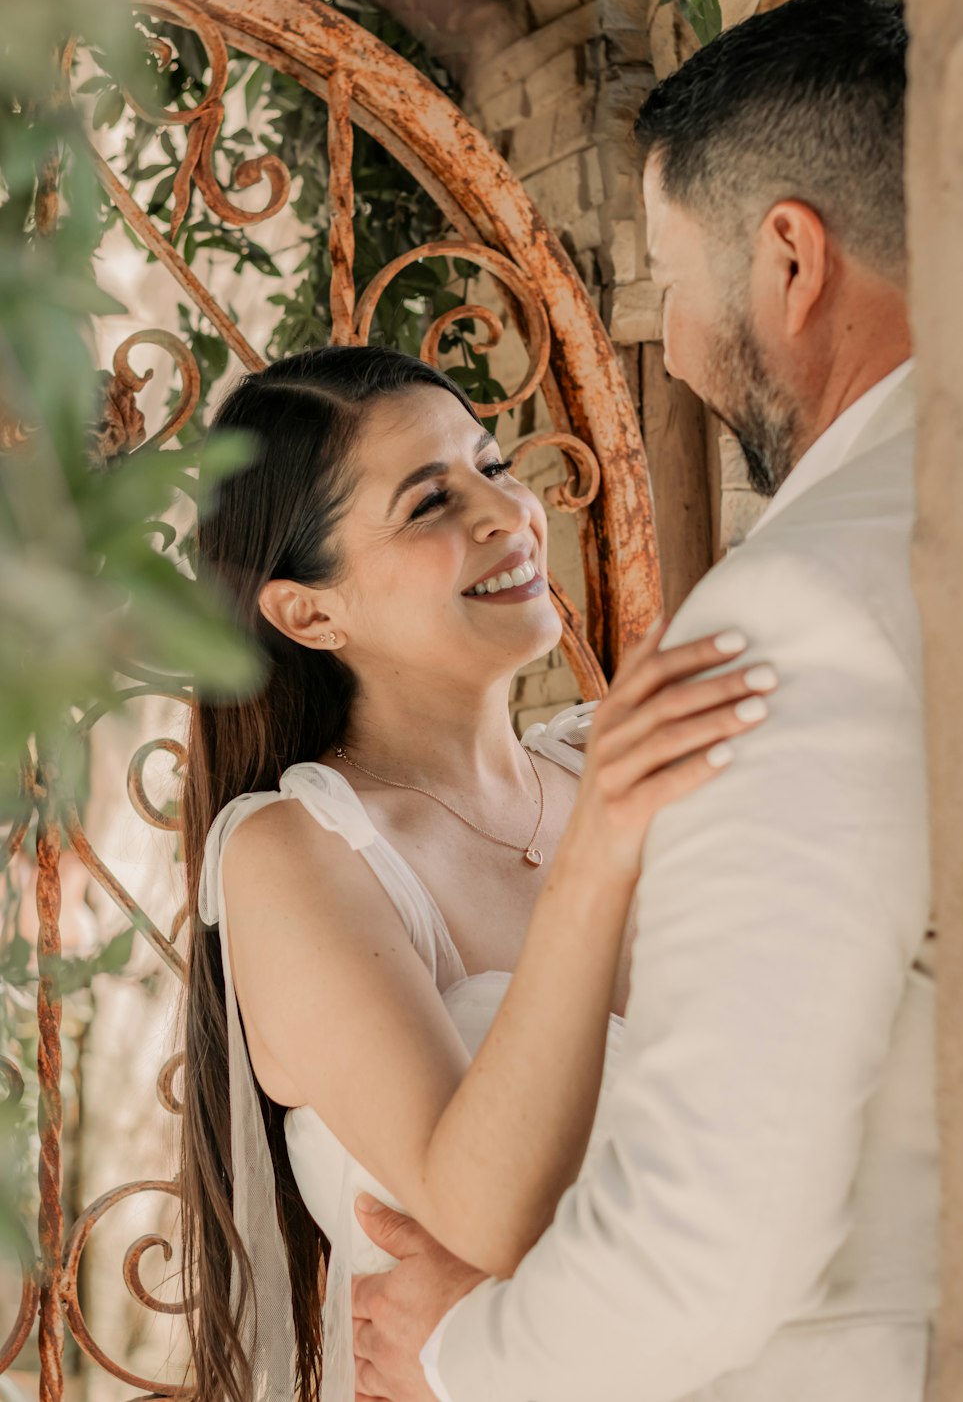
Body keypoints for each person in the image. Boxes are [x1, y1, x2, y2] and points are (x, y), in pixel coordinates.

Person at [350, 0, 937, 1402]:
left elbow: (713, 1231)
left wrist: (464, 1356)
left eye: (673, 276)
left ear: (791, 257)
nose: (672, 342)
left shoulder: (804, 614)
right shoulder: (300, 856)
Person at [178, 344, 773, 1402]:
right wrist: (598, 859)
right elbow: (485, 1217)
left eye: (492, 466)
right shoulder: (297, 855)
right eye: (427, 504)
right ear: (309, 613)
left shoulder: (609, 763)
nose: (507, 514)